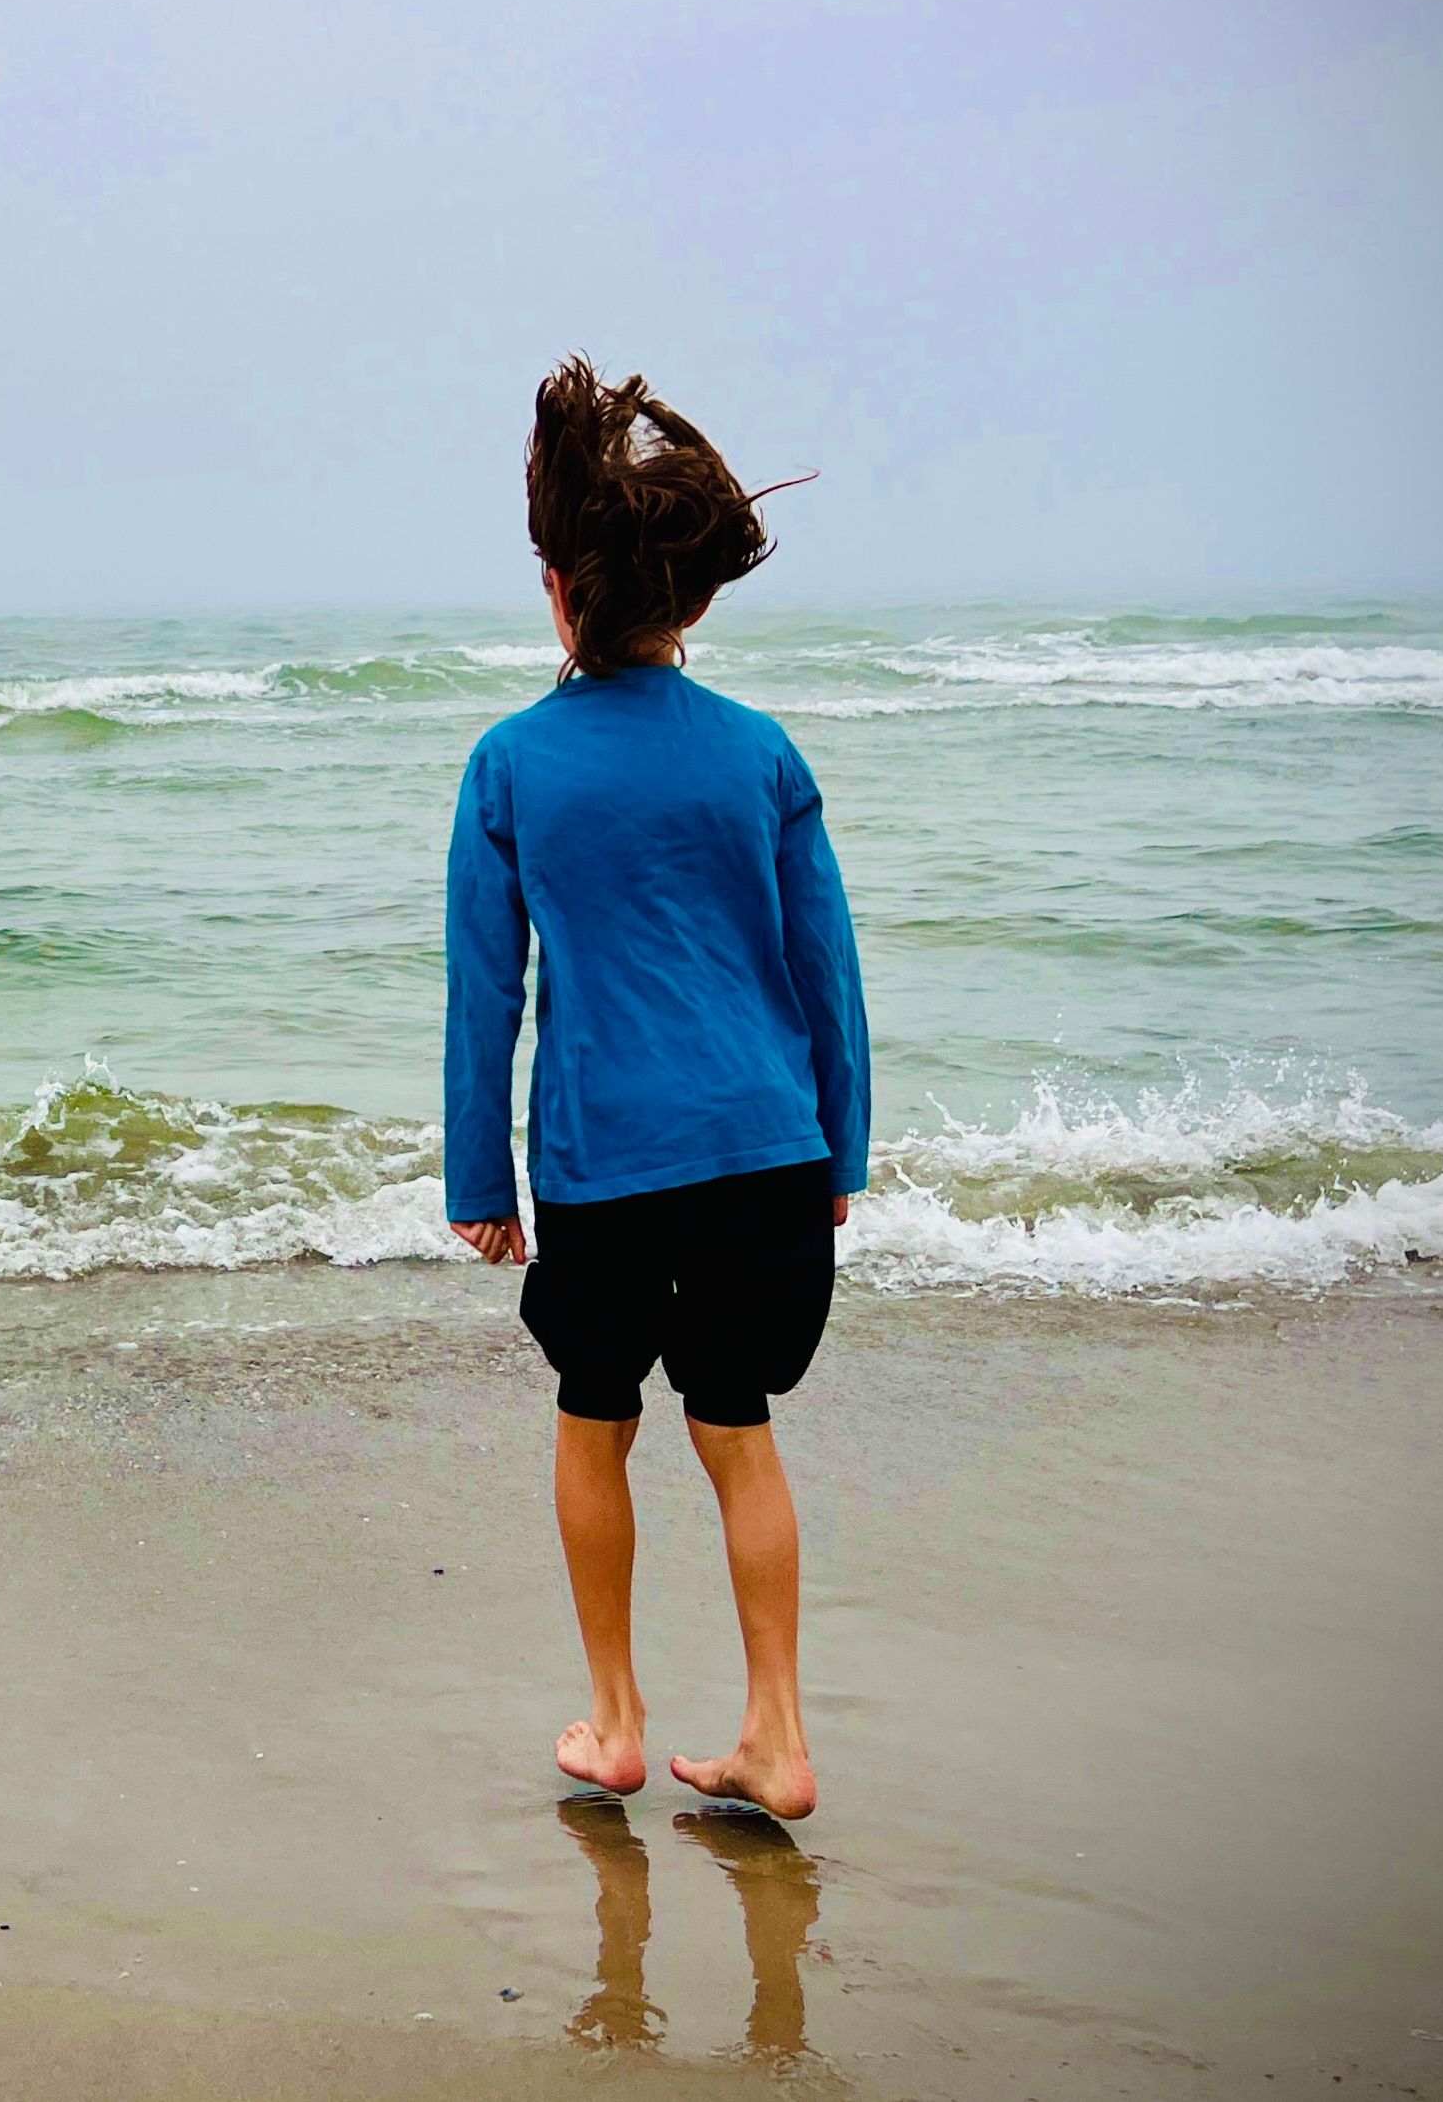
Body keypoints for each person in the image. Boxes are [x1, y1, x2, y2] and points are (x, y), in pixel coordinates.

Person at [444, 359, 869, 1819]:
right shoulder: (758, 754)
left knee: (591, 1413)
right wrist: (840, 1153)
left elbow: (484, 993)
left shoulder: (507, 765)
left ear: (561, 590)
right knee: (736, 1424)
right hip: (764, 1152)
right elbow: (827, 976)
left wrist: (476, 1187)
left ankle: (616, 1722)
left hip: (602, 1165)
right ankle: (776, 1736)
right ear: (684, 604)